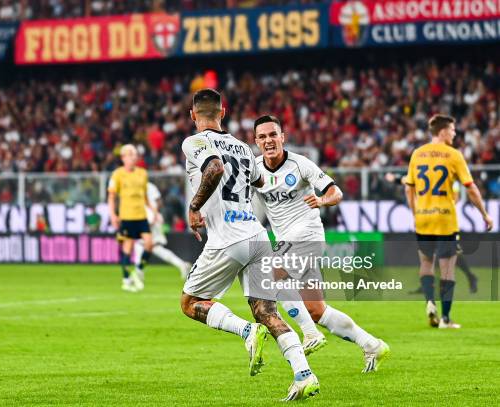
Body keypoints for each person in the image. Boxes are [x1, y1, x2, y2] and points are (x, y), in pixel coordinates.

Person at [181, 89, 319, 401]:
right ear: (223, 112)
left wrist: (194, 206)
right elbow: (259, 181)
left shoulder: (193, 142)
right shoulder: (244, 148)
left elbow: (214, 167)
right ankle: (304, 374)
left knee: (189, 303)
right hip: (257, 236)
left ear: (193, 115)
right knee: (266, 311)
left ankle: (245, 331)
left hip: (227, 239)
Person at [253, 115, 389, 372]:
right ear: (256, 141)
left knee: (273, 275)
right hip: (287, 241)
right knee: (316, 310)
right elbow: (249, 205)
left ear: (282, 137)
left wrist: (323, 201)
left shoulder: (300, 164)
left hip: (308, 234)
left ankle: (310, 334)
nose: (268, 140)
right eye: (262, 136)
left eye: (273, 134)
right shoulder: (255, 170)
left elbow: (335, 192)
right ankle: (372, 344)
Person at [404, 114, 492, 329]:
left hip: (423, 218)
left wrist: (416, 212)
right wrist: (484, 214)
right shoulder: (453, 155)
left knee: (426, 264)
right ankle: (445, 318)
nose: (454, 133)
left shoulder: (417, 154)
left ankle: (429, 302)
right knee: (447, 269)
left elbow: (409, 187)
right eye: (452, 130)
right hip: (445, 219)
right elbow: (470, 187)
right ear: (442, 132)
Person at [108, 144, 158, 292]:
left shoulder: (142, 173)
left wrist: (153, 210)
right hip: (127, 217)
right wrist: (112, 214)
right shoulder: (117, 174)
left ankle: (139, 270)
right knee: (127, 248)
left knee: (149, 243)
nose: (133, 156)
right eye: (130, 154)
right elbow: (111, 196)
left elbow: (145, 197)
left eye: (134, 154)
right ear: (123, 157)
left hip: (141, 216)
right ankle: (125, 279)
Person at [133, 182, 192, 284]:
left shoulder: (146, 186)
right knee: (152, 247)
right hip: (148, 217)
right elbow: (159, 201)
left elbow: (157, 202)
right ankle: (182, 265)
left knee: (142, 244)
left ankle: (138, 273)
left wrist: (154, 215)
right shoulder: (149, 186)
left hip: (150, 218)